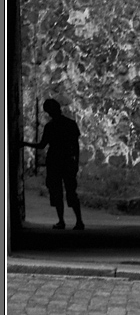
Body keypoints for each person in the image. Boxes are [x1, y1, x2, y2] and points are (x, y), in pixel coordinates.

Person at [21, 98, 85, 231]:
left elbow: (42, 145)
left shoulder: (50, 126)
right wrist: (76, 162)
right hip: (67, 160)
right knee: (71, 191)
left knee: (56, 192)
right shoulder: (70, 124)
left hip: (54, 161)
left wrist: (24, 143)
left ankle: (61, 221)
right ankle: (79, 221)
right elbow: (76, 146)